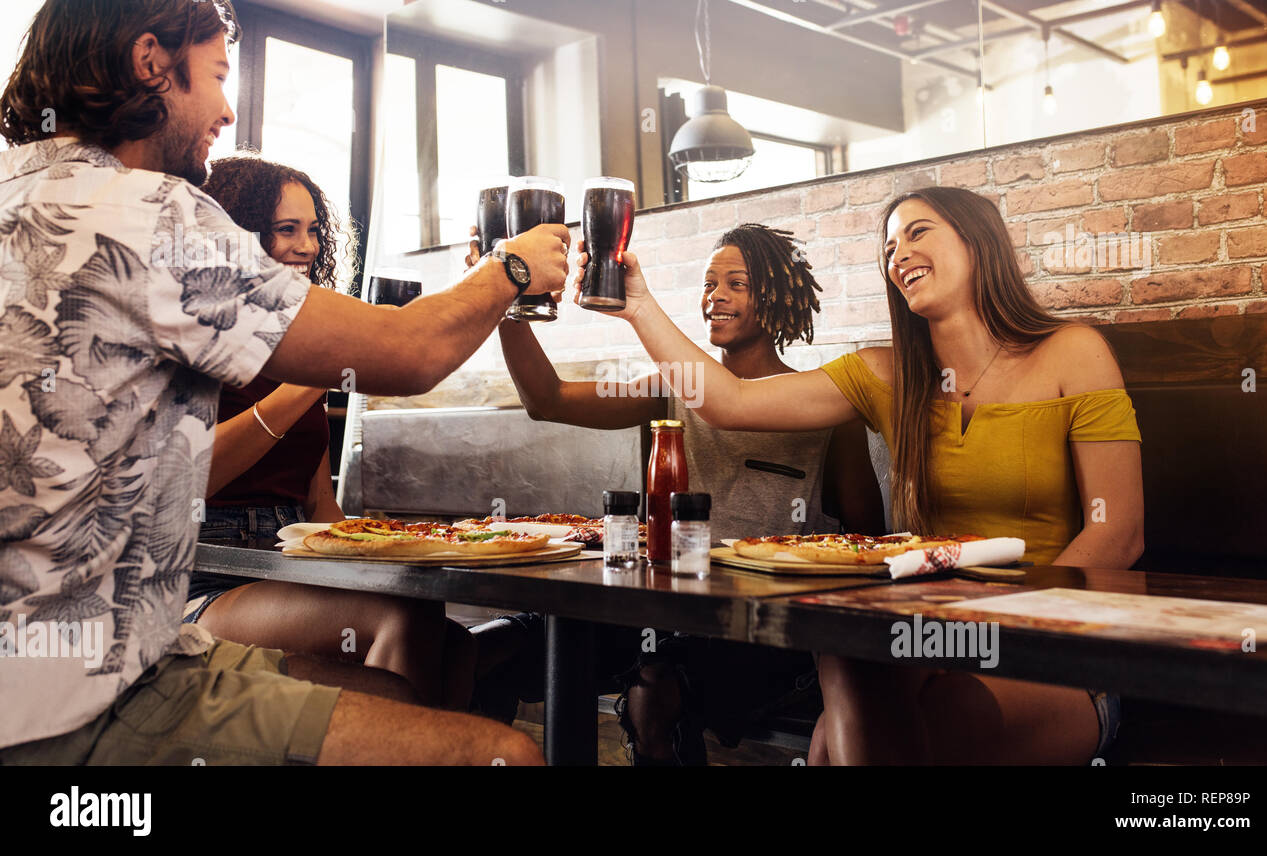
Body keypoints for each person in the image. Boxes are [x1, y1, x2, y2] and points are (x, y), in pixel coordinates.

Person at [0, 0, 567, 765]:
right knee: (504, 755)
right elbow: (411, 351)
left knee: (398, 697)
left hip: (84, 651)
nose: (227, 110)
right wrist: (513, 266)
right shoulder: (149, 213)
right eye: (217, 76)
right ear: (150, 63)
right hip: (76, 695)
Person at [573, 185, 1144, 765]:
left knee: (841, 746)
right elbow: (729, 401)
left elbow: (1118, 534)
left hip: (1055, 650)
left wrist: (1001, 626)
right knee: (845, 654)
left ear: (980, 244)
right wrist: (638, 305)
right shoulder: (884, 373)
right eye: (890, 245)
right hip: (928, 636)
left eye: (918, 233)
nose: (899, 254)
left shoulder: (1074, 353)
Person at [470, 223, 883, 763]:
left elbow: (870, 542)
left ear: (778, 295)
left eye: (738, 283)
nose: (716, 296)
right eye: (710, 284)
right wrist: (506, 303)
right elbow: (547, 399)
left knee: (653, 688)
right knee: (480, 653)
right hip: (658, 608)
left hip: (760, 628)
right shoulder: (674, 388)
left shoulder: (824, 411)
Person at [176, 155, 473, 709]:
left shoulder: (301, 349)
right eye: (286, 229)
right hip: (202, 578)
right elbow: (185, 475)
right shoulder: (195, 339)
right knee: (404, 619)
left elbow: (317, 507)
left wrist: (391, 546)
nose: (308, 246)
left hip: (288, 560)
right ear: (237, 236)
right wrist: (312, 382)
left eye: (314, 230)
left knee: (454, 643)